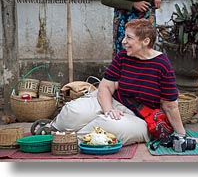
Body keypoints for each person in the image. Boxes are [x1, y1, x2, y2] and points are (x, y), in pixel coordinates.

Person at [31, 19, 188, 146]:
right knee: (75, 112)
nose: (123, 41)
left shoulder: (162, 64)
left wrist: (181, 135)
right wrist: (108, 109)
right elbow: (106, 87)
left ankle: (62, 140)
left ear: (145, 41)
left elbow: (170, 106)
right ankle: (54, 128)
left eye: (129, 38)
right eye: (125, 36)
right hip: (113, 101)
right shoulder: (123, 57)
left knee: (110, 126)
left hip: (140, 116)